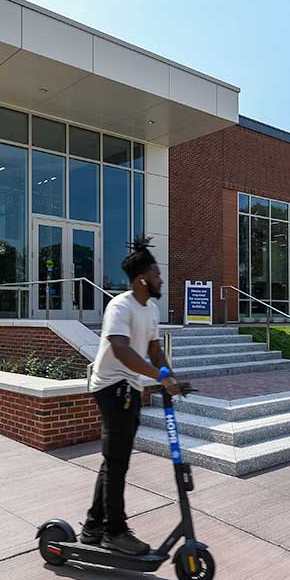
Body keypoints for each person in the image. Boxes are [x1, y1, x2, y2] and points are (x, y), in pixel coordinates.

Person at [82, 237, 184, 555]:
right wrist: (159, 377)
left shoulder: (150, 309)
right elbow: (121, 350)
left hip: (130, 387)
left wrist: (170, 377)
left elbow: (154, 350)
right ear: (142, 280)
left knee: (114, 459)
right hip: (112, 385)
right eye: (157, 275)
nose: (161, 279)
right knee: (117, 461)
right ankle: (114, 531)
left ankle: (93, 526)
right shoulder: (120, 306)